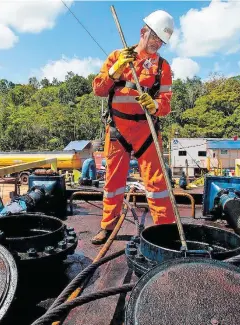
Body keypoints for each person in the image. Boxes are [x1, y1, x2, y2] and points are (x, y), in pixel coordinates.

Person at [91, 10, 176, 244]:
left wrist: (155, 105)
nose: (157, 44)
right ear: (143, 32)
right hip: (118, 129)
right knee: (113, 181)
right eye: (154, 38)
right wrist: (116, 69)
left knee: (158, 183)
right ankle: (108, 227)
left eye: (161, 41)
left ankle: (164, 231)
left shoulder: (162, 67)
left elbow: (166, 104)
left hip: (146, 131)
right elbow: (99, 89)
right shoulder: (118, 56)